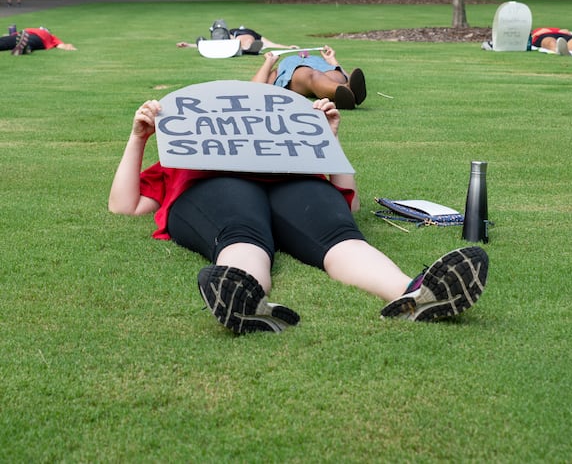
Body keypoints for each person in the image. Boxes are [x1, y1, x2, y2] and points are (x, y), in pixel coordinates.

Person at [108, 95, 489, 334]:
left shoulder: (299, 158)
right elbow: (125, 207)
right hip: (217, 187)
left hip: (293, 182)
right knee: (240, 231)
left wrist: (329, 139)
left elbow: (351, 204)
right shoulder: (185, 156)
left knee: (338, 234)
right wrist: (138, 137)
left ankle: (414, 293)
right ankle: (246, 299)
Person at [252, 45, 367, 110]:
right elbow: (254, 87)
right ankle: (344, 91)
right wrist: (269, 62)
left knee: (334, 75)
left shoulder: (324, 62)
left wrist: (332, 60)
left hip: (325, 67)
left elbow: (346, 77)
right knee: (313, 75)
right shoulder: (281, 68)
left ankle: (345, 92)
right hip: (297, 72)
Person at [177, 23, 293, 55]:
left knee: (248, 41)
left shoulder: (255, 34)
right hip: (232, 41)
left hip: (248, 42)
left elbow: (272, 44)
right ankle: (202, 44)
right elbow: (217, 43)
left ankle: (246, 49)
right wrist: (189, 45)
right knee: (222, 41)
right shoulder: (231, 32)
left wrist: (288, 47)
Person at [0, 27, 77, 55]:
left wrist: (67, 46)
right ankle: (25, 47)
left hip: (37, 38)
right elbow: (60, 45)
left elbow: (60, 44)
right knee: (13, 40)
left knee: (9, 41)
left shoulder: (50, 36)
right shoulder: (50, 36)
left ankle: (25, 47)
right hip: (25, 36)